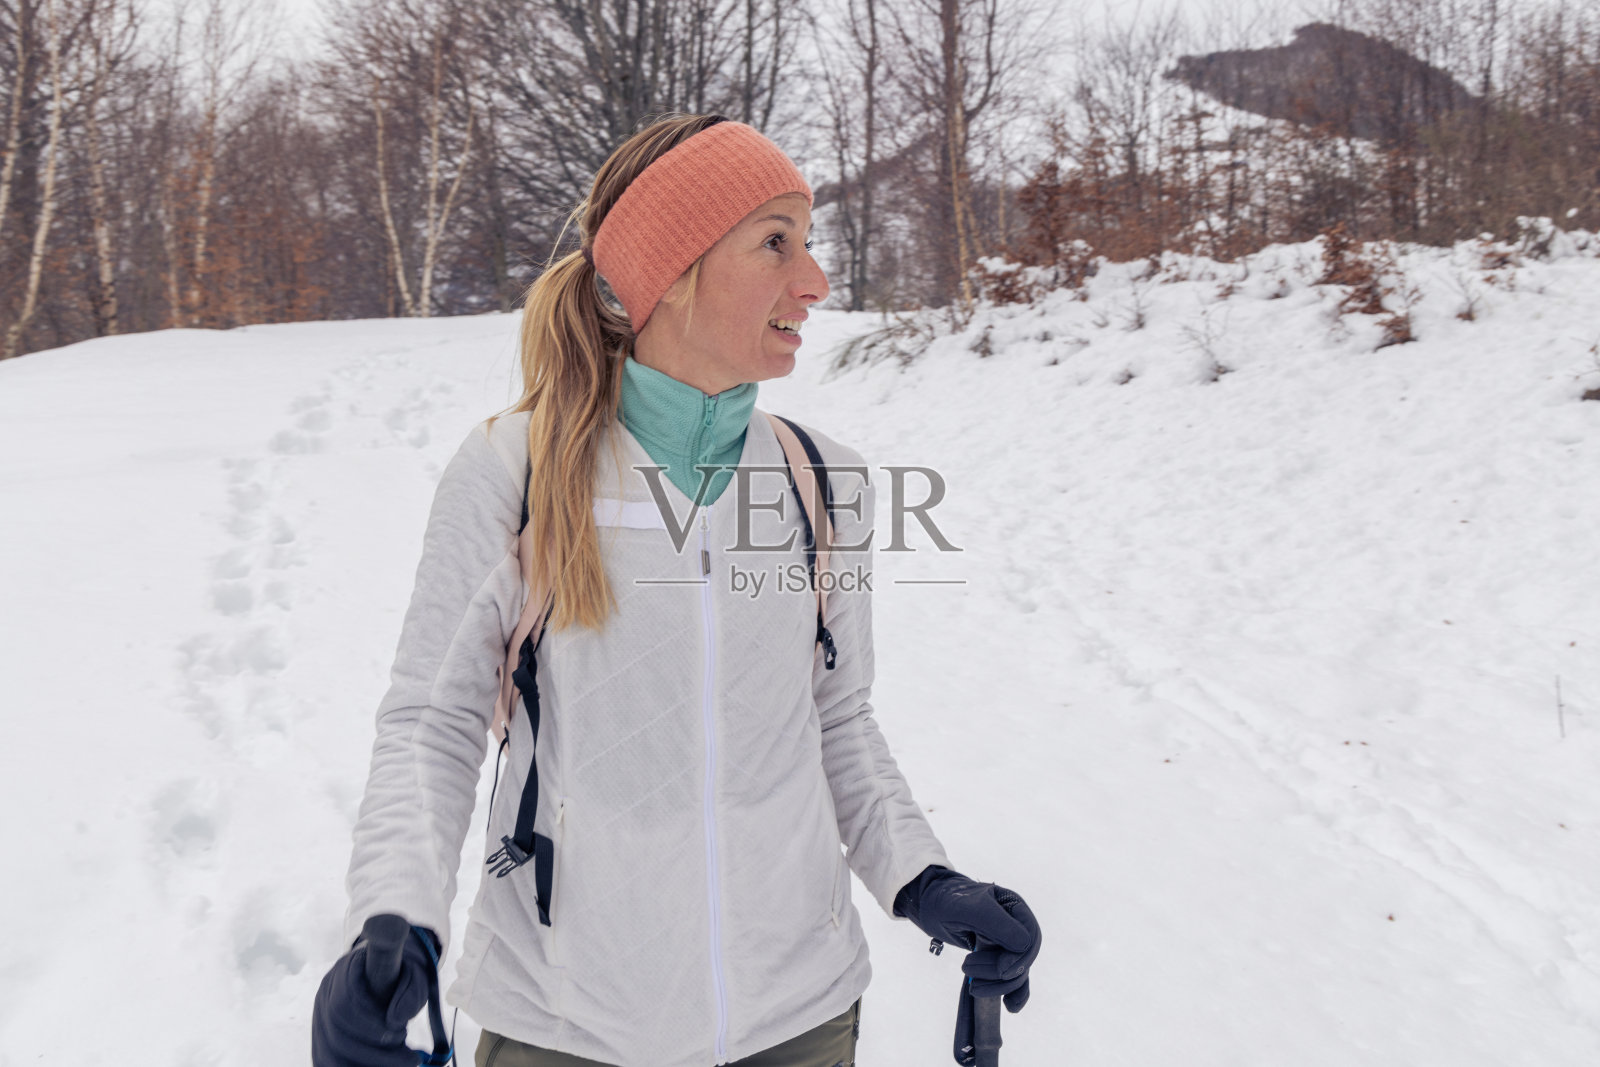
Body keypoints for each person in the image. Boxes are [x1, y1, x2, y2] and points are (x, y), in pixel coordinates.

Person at [310, 113, 1041, 1067]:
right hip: (566, 1025)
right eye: (775, 242)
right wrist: (397, 919)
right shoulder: (515, 471)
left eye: (809, 241)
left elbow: (838, 720)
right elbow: (432, 722)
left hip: (802, 1019)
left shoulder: (824, 481)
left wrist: (924, 877)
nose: (814, 280)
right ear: (672, 268)